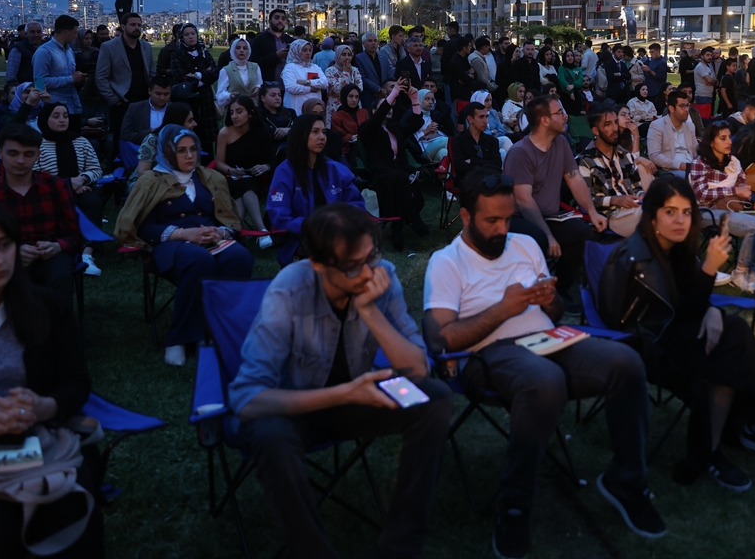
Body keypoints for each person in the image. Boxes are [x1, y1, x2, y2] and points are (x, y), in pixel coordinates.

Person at [424, 174, 665, 555]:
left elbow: (553, 312)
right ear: (466, 216)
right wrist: (502, 309)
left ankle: (628, 480)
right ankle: (514, 505)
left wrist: (548, 298)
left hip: (548, 338)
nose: (503, 229)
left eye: (508, 218)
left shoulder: (523, 244)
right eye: (492, 221)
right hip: (489, 354)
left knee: (625, 362)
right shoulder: (446, 263)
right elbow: (439, 339)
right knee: (546, 381)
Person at [229, 203, 451, 559]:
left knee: (434, 397)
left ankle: (401, 543)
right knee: (270, 434)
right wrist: (344, 392)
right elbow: (247, 398)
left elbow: (418, 369)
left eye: (372, 256)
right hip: (295, 411)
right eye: (352, 266)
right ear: (318, 264)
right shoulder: (289, 291)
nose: (367, 273)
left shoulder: (383, 275)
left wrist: (369, 309)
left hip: (359, 401)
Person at [599, 175, 755, 490]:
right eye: (670, 212)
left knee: (732, 333)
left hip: (673, 335)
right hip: (644, 348)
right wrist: (709, 271)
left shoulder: (675, 249)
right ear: (652, 215)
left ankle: (732, 438)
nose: (680, 220)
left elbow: (687, 306)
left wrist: (712, 309)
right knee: (726, 351)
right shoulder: (638, 258)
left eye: (687, 212)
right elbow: (661, 320)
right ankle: (747, 429)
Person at [0, 199, 103, 559]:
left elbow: (76, 383)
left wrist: (43, 406)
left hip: (41, 440)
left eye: (5, 245)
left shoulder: (50, 309)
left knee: (65, 510)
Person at [115, 124, 254, 366]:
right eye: (181, 151)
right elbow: (142, 227)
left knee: (239, 257)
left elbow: (229, 218)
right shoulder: (150, 181)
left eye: (193, 150)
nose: (189, 156)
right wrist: (182, 233)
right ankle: (180, 339)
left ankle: (220, 332)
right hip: (168, 243)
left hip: (210, 239)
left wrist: (219, 231)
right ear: (168, 152)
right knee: (198, 260)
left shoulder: (209, 178)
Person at [504, 95, 609, 294]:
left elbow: (575, 179)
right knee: (539, 238)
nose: (565, 116)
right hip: (517, 218)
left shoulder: (560, 143)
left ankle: (560, 289)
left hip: (550, 215)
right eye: (559, 112)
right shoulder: (520, 153)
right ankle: (535, 290)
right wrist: (548, 234)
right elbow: (524, 201)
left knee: (583, 232)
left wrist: (592, 213)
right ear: (544, 119)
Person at [0, 125, 81, 308]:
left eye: (28, 154)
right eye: (13, 153)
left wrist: (58, 246)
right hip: (3, 257)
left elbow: (74, 234)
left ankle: (58, 328)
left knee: (60, 275)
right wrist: (11, 252)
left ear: (38, 155)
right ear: (0, 152)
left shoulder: (56, 186)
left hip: (49, 254)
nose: (20, 160)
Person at [266, 114, 366, 265]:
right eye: (315, 132)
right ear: (300, 135)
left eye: (324, 132)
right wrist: (309, 226)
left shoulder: (336, 169)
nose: (322, 137)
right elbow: (279, 214)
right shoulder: (285, 172)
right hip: (303, 241)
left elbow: (356, 204)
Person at [689, 121, 755, 289]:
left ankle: (754, 270)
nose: (729, 142)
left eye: (729, 137)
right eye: (722, 138)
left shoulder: (733, 162)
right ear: (711, 142)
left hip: (732, 207)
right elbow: (701, 194)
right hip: (706, 211)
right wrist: (733, 190)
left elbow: (741, 184)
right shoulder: (700, 163)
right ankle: (740, 273)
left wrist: (745, 192)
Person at [34, 102, 104, 276]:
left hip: (81, 187)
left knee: (93, 202)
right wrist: (67, 185)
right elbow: (34, 173)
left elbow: (96, 169)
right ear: (45, 119)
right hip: (49, 192)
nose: (62, 120)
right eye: (56, 116)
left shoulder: (81, 141)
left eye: (65, 116)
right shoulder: (37, 144)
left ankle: (87, 254)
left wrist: (81, 179)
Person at [358, 80, 429, 248]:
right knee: (396, 177)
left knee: (398, 179)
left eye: (390, 107)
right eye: (384, 107)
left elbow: (416, 124)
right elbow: (377, 118)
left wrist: (414, 100)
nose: (389, 109)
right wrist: (393, 93)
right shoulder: (368, 129)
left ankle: (397, 229)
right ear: (375, 111)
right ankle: (414, 218)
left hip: (399, 175)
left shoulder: (395, 127)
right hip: (380, 175)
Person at [577, 107, 646, 238]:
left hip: (635, 207)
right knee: (653, 216)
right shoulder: (584, 161)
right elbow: (586, 200)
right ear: (595, 130)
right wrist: (614, 200)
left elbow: (637, 186)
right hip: (610, 217)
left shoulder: (624, 154)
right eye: (608, 124)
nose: (615, 128)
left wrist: (641, 195)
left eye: (615, 122)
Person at [214, 95, 274, 246]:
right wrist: (231, 170)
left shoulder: (261, 132)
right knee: (244, 188)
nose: (235, 116)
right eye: (232, 112)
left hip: (255, 178)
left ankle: (234, 233)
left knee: (245, 190)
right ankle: (261, 231)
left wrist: (264, 167)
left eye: (239, 112)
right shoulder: (225, 133)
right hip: (230, 177)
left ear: (250, 113)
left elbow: (271, 159)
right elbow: (219, 162)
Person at [95, 13, 153, 160]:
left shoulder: (145, 47)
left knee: (144, 136)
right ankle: (119, 168)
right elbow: (101, 76)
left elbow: (152, 72)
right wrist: (114, 99)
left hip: (143, 100)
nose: (137, 28)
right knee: (120, 138)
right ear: (123, 26)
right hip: (122, 102)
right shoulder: (109, 47)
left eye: (139, 25)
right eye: (133, 25)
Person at [168, 24, 219, 150]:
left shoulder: (204, 52)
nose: (191, 36)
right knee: (188, 141)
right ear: (181, 37)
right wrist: (204, 78)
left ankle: (208, 168)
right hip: (188, 102)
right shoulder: (177, 55)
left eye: (193, 33)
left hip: (206, 102)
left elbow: (215, 73)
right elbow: (180, 77)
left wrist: (198, 75)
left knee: (207, 143)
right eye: (187, 34)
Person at [128, 102, 195, 192]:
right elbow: (142, 173)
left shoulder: (188, 140)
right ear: (178, 122)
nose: (195, 124)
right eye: (190, 121)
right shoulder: (153, 139)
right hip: (147, 184)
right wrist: (173, 177)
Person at [32, 16, 84, 125]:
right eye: (74, 32)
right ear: (65, 32)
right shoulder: (44, 52)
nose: (76, 36)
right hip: (54, 110)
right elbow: (40, 84)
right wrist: (71, 78)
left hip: (73, 106)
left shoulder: (69, 51)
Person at [646, 89, 697, 176]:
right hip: (671, 169)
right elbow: (654, 155)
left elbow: (696, 150)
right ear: (671, 108)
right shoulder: (657, 126)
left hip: (692, 167)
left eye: (687, 106)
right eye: (682, 106)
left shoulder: (690, 126)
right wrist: (680, 165)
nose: (686, 110)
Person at [452, 101, 504, 182]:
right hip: (469, 182)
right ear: (470, 119)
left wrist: (473, 161)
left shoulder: (492, 141)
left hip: (490, 180)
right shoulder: (459, 140)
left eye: (486, 116)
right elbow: (460, 166)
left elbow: (497, 164)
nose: (486, 121)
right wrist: (486, 164)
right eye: (481, 117)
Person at [120, 75, 173, 146]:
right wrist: (151, 132)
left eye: (166, 94)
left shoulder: (175, 109)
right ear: (149, 91)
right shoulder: (135, 108)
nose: (162, 98)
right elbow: (125, 135)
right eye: (158, 94)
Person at [280, 39, 328, 115]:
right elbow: (291, 87)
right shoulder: (290, 67)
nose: (308, 53)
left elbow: (325, 83)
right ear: (296, 51)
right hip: (296, 107)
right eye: (304, 50)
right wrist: (311, 88)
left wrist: (307, 82)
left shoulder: (315, 67)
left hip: (315, 108)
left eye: (310, 50)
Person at [215, 37, 262, 113]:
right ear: (233, 50)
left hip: (253, 110)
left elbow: (259, 84)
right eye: (238, 48)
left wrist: (258, 89)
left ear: (248, 51)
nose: (241, 50)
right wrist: (229, 96)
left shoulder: (255, 67)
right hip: (235, 111)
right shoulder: (226, 70)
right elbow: (219, 95)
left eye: (245, 48)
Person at [249, 8, 294, 83]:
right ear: (269, 21)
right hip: (268, 86)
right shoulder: (260, 39)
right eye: (276, 18)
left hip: (289, 86)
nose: (280, 21)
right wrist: (276, 56)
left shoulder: (290, 41)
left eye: (283, 19)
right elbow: (254, 63)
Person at [352, 32, 392, 110]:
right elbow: (362, 77)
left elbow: (389, 73)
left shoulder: (383, 57)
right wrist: (378, 89)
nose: (373, 43)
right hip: (369, 95)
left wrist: (387, 88)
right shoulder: (358, 58)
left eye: (375, 41)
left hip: (385, 94)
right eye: (370, 41)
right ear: (363, 43)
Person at [257, 82, 295, 161]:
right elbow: (267, 134)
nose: (277, 98)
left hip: (292, 146)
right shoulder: (257, 114)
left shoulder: (290, 112)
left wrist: (288, 130)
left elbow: (301, 128)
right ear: (263, 98)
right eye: (273, 95)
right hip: (270, 152)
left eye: (279, 95)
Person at [328, 84, 367, 157]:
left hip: (366, 149)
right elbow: (337, 136)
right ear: (344, 97)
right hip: (347, 152)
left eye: (357, 97)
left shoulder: (364, 112)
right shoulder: (337, 116)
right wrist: (351, 137)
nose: (354, 100)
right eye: (351, 96)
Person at [413, 89, 451, 163]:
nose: (430, 102)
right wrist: (426, 131)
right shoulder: (413, 116)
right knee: (447, 140)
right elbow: (410, 139)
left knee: (444, 153)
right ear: (419, 99)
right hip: (423, 149)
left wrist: (436, 132)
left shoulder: (434, 115)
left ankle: (445, 174)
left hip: (437, 145)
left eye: (432, 99)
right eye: (427, 99)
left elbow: (447, 131)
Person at [324, 44, 362, 114]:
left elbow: (360, 89)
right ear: (338, 55)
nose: (347, 57)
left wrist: (339, 94)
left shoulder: (354, 70)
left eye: (349, 55)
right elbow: (336, 88)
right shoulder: (329, 71)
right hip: (335, 106)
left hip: (353, 105)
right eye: (344, 55)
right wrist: (346, 73)